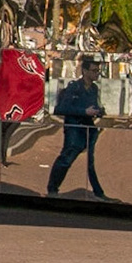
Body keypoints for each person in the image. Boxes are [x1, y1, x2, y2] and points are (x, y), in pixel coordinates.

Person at [46, 56, 108, 200]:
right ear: (85, 71)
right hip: (74, 128)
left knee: (91, 162)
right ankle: (52, 189)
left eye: (98, 71)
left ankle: (98, 192)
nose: (96, 74)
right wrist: (84, 111)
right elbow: (62, 108)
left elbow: (92, 105)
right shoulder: (74, 87)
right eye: (93, 71)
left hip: (89, 128)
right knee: (66, 159)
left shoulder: (94, 88)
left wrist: (98, 110)